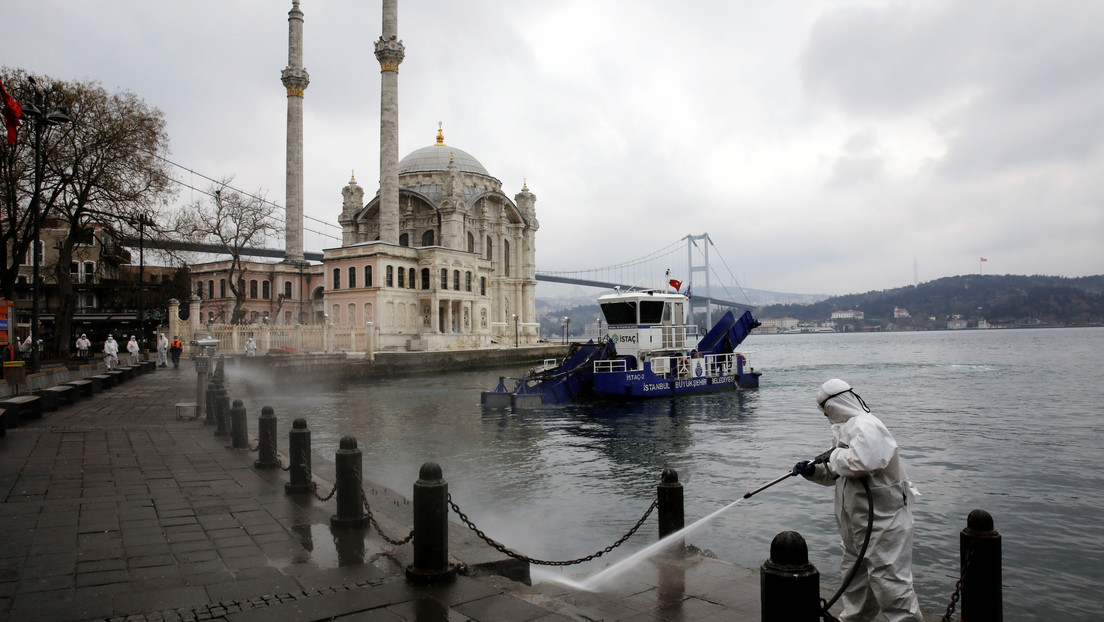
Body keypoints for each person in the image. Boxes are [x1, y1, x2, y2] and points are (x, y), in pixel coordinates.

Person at [792, 379, 923, 622]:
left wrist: (833, 456)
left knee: (892, 588)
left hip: (883, 525)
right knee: (857, 588)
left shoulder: (866, 426)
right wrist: (815, 471)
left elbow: (861, 463)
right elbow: (839, 473)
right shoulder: (845, 430)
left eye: (825, 409)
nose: (824, 415)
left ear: (836, 404)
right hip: (857, 527)